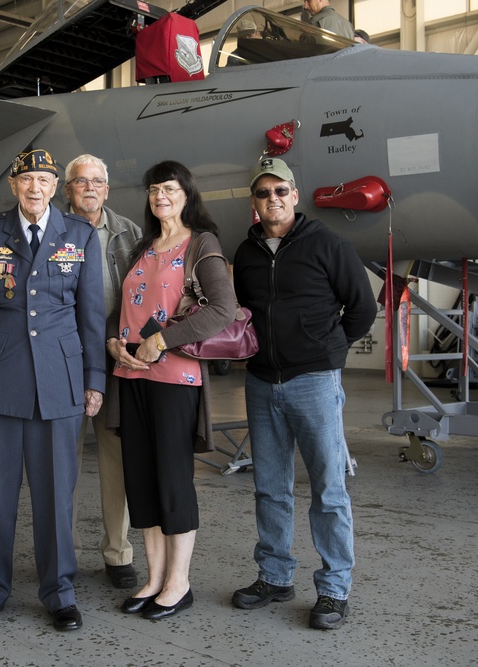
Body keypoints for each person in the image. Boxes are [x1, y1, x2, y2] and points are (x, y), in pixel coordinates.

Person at [0, 147, 105, 632]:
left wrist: (94, 380)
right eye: (27, 180)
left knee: (56, 494)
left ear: (54, 185)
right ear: (14, 186)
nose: (35, 188)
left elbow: (91, 317)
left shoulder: (79, 235)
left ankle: (59, 592)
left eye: (44, 179)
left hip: (59, 381)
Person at [231, 157, 376, 630]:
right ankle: (274, 577)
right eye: (262, 193)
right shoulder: (246, 253)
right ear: (254, 202)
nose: (272, 199)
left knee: (328, 490)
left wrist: (326, 350)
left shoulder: (328, 245)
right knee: (269, 488)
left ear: (295, 195)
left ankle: (334, 589)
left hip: (313, 382)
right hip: (260, 382)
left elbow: (361, 308)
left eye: (280, 191)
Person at [106, 160, 236, 621]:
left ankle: (179, 583)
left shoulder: (201, 243)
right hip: (131, 377)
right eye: (154, 188)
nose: (160, 195)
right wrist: (114, 343)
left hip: (173, 380)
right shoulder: (144, 246)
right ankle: (155, 577)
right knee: (141, 480)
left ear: (187, 193)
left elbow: (223, 308)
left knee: (172, 479)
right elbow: (125, 309)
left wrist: (162, 340)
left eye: (169, 187)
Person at [62, 154, 142, 590]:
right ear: (68, 190)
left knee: (116, 460)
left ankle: (117, 552)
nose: (89, 188)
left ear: (107, 190)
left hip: (115, 362)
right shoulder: (53, 232)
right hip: (63, 361)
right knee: (62, 462)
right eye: (80, 181)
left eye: (97, 181)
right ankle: (63, 553)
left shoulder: (130, 234)